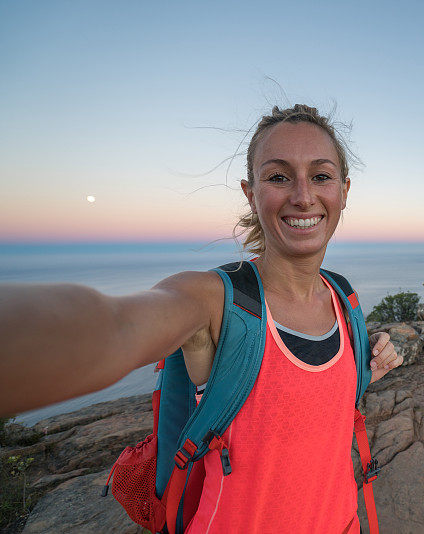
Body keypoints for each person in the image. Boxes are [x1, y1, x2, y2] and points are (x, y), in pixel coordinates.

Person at [0, 104, 402, 533]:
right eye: (279, 176)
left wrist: (364, 369)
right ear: (251, 193)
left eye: (321, 175)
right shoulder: (213, 300)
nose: (303, 195)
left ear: (344, 190)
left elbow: (300, 402)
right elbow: (112, 329)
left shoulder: (344, 298)